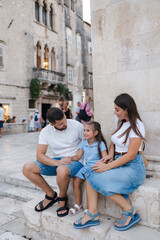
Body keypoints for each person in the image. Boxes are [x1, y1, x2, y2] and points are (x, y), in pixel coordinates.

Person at [73, 93, 146, 231]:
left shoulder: (137, 125)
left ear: (127, 109)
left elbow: (131, 155)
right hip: (118, 161)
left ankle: (129, 210)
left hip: (133, 167)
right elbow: (113, 141)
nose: (115, 112)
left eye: (117, 109)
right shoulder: (122, 123)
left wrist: (107, 167)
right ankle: (92, 213)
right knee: (91, 172)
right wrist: (110, 155)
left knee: (100, 178)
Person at [22, 107, 84, 217]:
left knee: (62, 169)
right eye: (60, 124)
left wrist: (75, 157)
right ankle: (51, 195)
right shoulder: (46, 131)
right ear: (52, 124)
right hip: (57, 160)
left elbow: (88, 144)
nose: (64, 124)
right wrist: (58, 162)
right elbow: (40, 155)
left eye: (64, 120)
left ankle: (62, 198)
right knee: (27, 168)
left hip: (74, 161)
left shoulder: (77, 126)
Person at [68, 121, 108, 216]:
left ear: (95, 133)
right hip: (86, 167)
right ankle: (78, 204)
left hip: (95, 168)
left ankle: (88, 208)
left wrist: (100, 164)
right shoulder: (83, 143)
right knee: (76, 181)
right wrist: (69, 158)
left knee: (88, 184)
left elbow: (105, 158)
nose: (85, 132)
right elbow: (78, 156)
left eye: (88, 130)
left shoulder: (100, 144)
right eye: (84, 130)